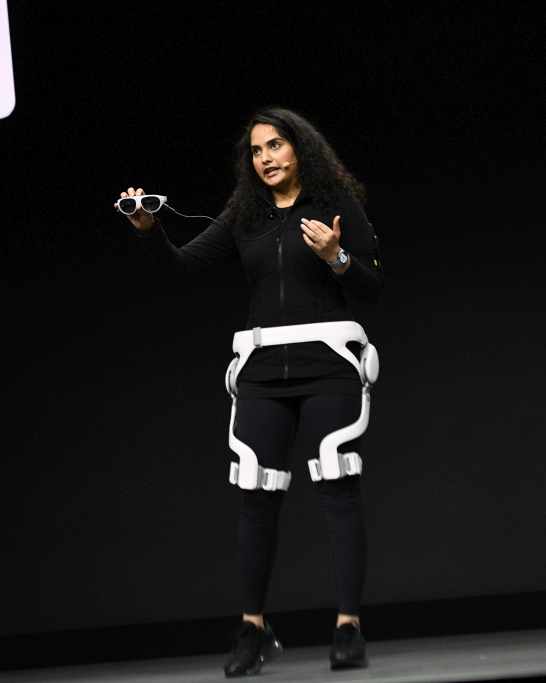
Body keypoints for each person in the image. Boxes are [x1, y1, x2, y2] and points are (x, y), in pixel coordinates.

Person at [116, 106, 384, 676]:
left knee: (338, 485)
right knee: (256, 494)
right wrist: (149, 231)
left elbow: (373, 284)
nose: (265, 158)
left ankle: (348, 628)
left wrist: (335, 258)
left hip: (328, 363)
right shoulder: (244, 216)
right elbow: (181, 266)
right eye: (257, 151)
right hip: (262, 373)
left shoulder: (337, 209)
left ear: (300, 150)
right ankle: (254, 630)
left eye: (277, 146)